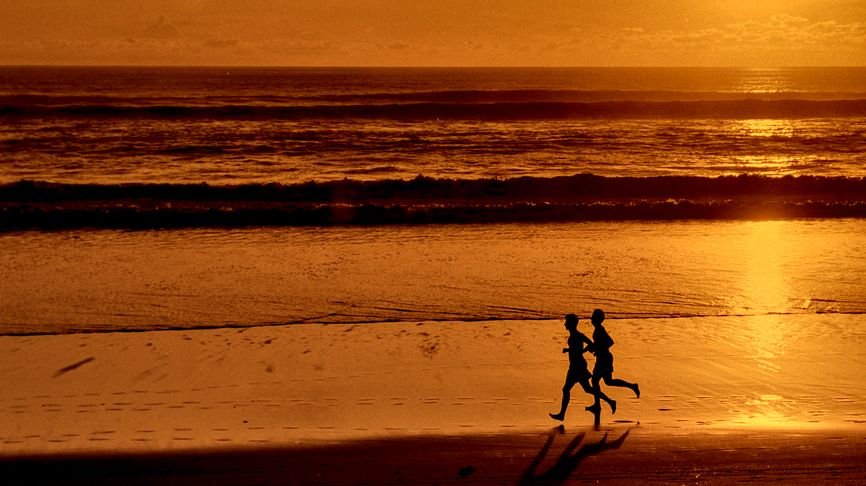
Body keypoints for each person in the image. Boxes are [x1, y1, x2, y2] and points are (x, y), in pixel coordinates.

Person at [549, 313, 616, 421]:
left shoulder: (576, 335)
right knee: (587, 389)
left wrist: (571, 350)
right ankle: (610, 401)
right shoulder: (576, 335)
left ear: (571, 324)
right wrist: (581, 351)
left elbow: (587, 345)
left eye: (566, 322)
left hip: (577, 366)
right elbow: (590, 344)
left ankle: (562, 414)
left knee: (567, 389)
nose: (565, 324)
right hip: (576, 365)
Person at [587, 308, 639, 414]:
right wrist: (597, 349)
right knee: (608, 381)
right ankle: (632, 386)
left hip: (604, 359)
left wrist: (599, 349)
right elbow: (602, 343)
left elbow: (610, 342)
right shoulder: (598, 329)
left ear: (597, 319)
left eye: (593, 317)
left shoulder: (600, 330)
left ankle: (597, 405)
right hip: (603, 358)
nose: (591, 318)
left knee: (595, 381)